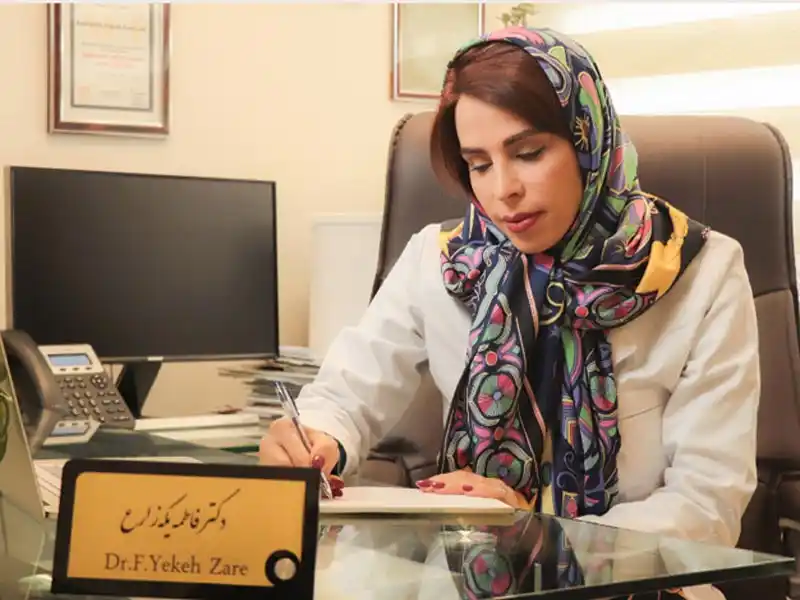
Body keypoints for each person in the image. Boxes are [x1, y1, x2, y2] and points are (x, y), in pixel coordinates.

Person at [260, 26, 759, 600]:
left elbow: (706, 505)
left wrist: (536, 535)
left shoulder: (700, 271)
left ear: (587, 140)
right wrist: (315, 437)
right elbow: (349, 392)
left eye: (528, 153)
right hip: (463, 580)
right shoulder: (442, 260)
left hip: (640, 587)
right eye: (478, 164)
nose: (503, 191)